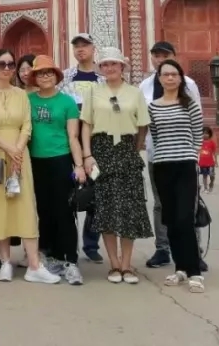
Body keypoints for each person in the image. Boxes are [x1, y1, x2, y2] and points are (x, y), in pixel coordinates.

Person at [0, 48, 59, 284]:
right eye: (2, 64)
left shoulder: (21, 95)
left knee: (25, 207)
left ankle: (34, 264)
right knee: (0, 207)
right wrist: (10, 149)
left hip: (20, 156)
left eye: (10, 64)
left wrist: (18, 149)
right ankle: (5, 262)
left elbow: (27, 125)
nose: (6, 69)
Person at [79, 46, 151, 284]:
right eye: (105, 64)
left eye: (114, 64)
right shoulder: (93, 92)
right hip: (101, 151)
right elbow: (86, 125)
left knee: (129, 209)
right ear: (100, 68)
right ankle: (114, 264)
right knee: (106, 210)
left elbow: (142, 126)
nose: (110, 68)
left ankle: (127, 265)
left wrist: (135, 149)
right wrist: (87, 155)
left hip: (126, 151)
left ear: (122, 67)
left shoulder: (134, 93)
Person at [140, 40, 204, 270]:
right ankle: (163, 249)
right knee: (161, 205)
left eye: (164, 55)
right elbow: (148, 125)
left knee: (188, 206)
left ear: (174, 58)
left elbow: (197, 124)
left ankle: (194, 253)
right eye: (156, 55)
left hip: (185, 158)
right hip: (157, 156)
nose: (160, 59)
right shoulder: (144, 86)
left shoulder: (189, 85)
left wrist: (194, 154)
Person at [28, 55, 84, 285]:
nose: (46, 76)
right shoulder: (28, 100)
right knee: (43, 211)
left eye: (49, 72)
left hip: (60, 159)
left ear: (56, 76)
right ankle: (50, 257)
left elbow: (73, 136)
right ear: (35, 78)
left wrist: (79, 165)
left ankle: (70, 261)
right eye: (41, 73)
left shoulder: (67, 102)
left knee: (64, 212)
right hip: (35, 161)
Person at [61, 33, 103, 264]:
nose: (80, 49)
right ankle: (69, 245)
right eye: (76, 46)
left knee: (96, 193)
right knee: (70, 194)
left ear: (93, 48)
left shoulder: (103, 77)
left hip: (97, 144)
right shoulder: (65, 77)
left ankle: (91, 244)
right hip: (69, 143)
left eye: (84, 45)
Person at [198, 127, 217, 193]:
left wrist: (216, 161)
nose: (205, 135)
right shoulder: (200, 143)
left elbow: (214, 152)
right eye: (203, 133)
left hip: (211, 163)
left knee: (212, 175)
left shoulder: (212, 143)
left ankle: (211, 183)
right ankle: (205, 188)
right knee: (204, 175)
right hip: (202, 163)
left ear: (210, 134)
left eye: (206, 133)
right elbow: (197, 151)